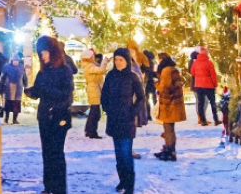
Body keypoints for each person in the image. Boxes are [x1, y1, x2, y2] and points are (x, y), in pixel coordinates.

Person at [25, 35, 74, 194]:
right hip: (45, 116)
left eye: (44, 52)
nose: (42, 56)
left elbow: (66, 95)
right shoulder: (43, 72)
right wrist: (31, 92)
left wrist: (46, 92)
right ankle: (49, 186)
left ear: (52, 51)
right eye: (40, 53)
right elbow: (39, 91)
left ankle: (60, 189)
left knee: (56, 153)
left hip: (59, 118)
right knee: (47, 152)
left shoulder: (64, 70)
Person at [101, 47, 144, 194]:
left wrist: (132, 112)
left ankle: (130, 186)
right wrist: (107, 108)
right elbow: (104, 95)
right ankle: (122, 180)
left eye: (121, 60)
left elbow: (141, 97)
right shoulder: (110, 76)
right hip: (114, 120)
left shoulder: (132, 77)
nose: (118, 62)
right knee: (119, 155)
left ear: (127, 61)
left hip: (127, 121)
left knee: (126, 155)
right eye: (116, 59)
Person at [153, 53, 186, 162]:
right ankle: (169, 149)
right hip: (175, 103)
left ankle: (170, 150)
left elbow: (164, 87)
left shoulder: (166, 70)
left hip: (169, 104)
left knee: (168, 128)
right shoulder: (173, 69)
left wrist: (156, 84)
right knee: (170, 128)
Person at [80, 49, 106, 138]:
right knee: (95, 112)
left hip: (94, 88)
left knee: (93, 111)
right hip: (93, 89)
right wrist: (104, 62)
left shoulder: (89, 65)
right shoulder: (89, 66)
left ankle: (88, 130)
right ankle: (92, 132)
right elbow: (101, 70)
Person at [191, 47, 219, 126]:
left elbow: (192, 72)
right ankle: (216, 119)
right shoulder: (209, 63)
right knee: (213, 103)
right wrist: (215, 84)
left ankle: (202, 120)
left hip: (199, 85)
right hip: (209, 85)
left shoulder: (195, 63)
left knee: (200, 103)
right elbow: (213, 75)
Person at [0, 54, 27, 124]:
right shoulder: (6, 67)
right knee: (8, 104)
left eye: (17, 61)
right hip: (8, 88)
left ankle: (15, 119)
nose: (15, 62)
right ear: (12, 61)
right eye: (14, 60)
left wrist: (26, 86)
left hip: (18, 88)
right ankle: (6, 118)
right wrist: (0, 88)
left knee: (16, 104)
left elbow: (24, 78)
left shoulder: (21, 67)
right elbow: (2, 78)